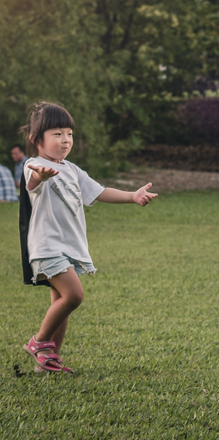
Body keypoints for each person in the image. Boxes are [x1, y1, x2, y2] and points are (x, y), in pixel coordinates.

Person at [20, 101, 158, 374]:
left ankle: (49, 362)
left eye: (69, 133)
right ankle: (38, 342)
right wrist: (40, 175)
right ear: (37, 139)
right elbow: (32, 181)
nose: (65, 140)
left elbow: (99, 191)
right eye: (57, 134)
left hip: (69, 247)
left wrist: (132, 196)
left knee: (61, 302)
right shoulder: (34, 164)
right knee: (73, 295)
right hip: (47, 246)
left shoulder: (72, 169)